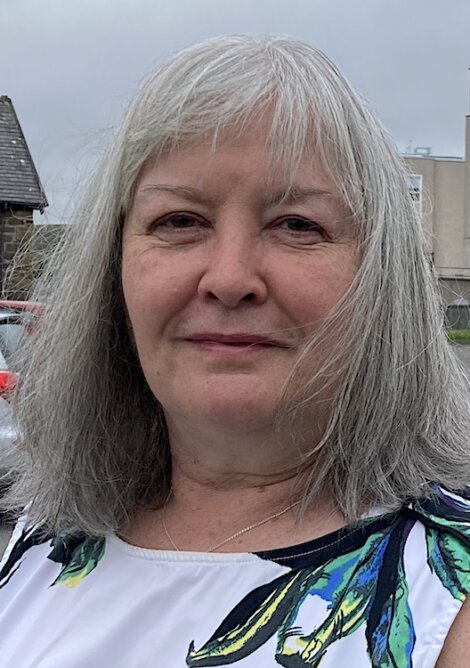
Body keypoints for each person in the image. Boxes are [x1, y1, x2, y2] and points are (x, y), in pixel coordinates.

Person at [0, 35, 469, 667]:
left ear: (381, 283)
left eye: (297, 225)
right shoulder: (43, 541)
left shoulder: (449, 605)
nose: (228, 277)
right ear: (114, 272)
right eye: (180, 221)